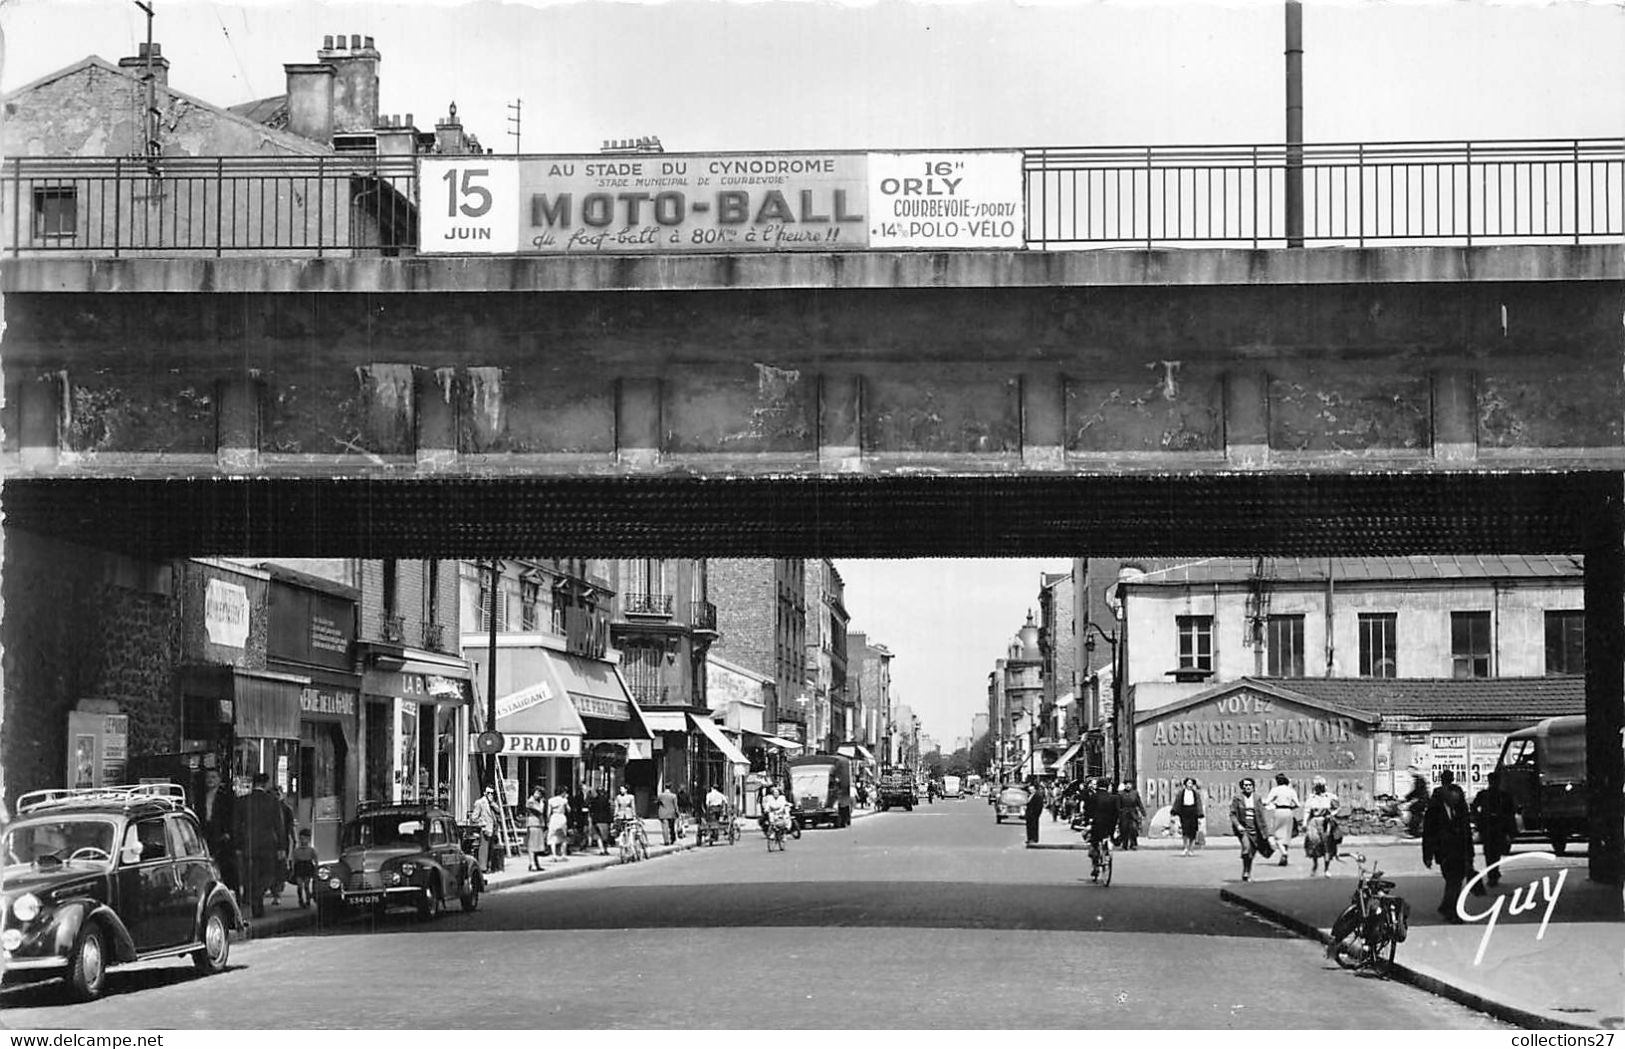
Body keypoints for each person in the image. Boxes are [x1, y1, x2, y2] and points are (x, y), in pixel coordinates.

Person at [1422, 768, 1477, 922]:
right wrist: (1428, 855)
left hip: (1460, 851)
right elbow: (1428, 833)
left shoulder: (1460, 809)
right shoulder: (1435, 808)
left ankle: (1450, 909)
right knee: (1453, 881)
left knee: (1455, 881)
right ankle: (1450, 909)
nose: (1454, 799)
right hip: (1444, 852)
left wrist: (1470, 854)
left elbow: (1466, 832)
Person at [234, 773, 284, 918]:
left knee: (252, 874)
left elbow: (236, 825)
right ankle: (258, 896)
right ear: (265, 784)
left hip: (248, 843)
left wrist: (238, 844)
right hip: (268, 844)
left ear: (252, 784)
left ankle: (255, 899)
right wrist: (281, 846)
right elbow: (279, 825)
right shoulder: (272, 801)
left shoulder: (242, 801)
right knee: (268, 874)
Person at [1470, 770, 1517, 888]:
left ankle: (1493, 873)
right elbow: (1510, 813)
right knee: (1493, 852)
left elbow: (1474, 807)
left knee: (1491, 852)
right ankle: (1493, 874)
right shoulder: (1501, 795)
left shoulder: (1487, 795)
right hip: (1494, 826)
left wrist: (1478, 819)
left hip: (1492, 826)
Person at [198, 768, 238, 892]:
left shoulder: (226, 796)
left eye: (213, 777)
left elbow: (232, 815)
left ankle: (231, 891)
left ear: (219, 780)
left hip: (222, 834)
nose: (210, 780)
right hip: (206, 832)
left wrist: (228, 832)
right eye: (208, 777)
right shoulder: (200, 796)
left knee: (226, 865)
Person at [1229, 777, 1273, 882]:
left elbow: (1261, 815)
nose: (1247, 787)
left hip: (1256, 827)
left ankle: (1247, 871)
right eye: (1245, 785)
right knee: (1246, 848)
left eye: (1249, 785)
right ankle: (1246, 872)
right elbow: (1232, 814)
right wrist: (1238, 825)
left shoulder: (1257, 798)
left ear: (1253, 787)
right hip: (1243, 828)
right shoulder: (1237, 798)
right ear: (1242, 787)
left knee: (1252, 852)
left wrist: (1265, 832)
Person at [1301, 776, 1341, 877]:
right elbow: (1307, 811)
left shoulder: (1330, 797)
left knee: (1327, 845)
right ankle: (1315, 864)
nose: (1319, 788)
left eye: (1321, 786)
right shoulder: (1311, 798)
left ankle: (1326, 869)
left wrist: (1332, 814)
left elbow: (1337, 807)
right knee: (1314, 842)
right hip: (1314, 822)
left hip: (1326, 822)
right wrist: (1304, 822)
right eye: (1317, 786)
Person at [1263, 772, 1301, 867]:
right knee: (1287, 835)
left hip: (1279, 811)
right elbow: (1297, 804)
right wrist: (1291, 808)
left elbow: (1267, 802)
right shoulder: (1291, 791)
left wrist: (1263, 803)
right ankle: (1284, 855)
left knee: (1277, 835)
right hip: (1288, 812)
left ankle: (1284, 853)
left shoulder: (1275, 790)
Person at [1087, 781, 1120, 881]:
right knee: (1107, 840)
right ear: (1107, 787)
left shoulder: (1093, 796)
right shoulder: (1113, 798)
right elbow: (1117, 812)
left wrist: (1088, 820)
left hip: (1097, 825)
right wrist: (1115, 825)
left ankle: (1095, 866)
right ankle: (1107, 855)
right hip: (1109, 826)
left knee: (1094, 844)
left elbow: (1088, 810)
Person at [1170, 777, 1205, 856]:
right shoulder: (1181, 793)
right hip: (1184, 812)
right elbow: (1177, 802)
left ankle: (1191, 849)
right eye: (1188, 783)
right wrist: (1174, 811)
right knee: (1185, 831)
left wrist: (1200, 814)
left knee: (1193, 831)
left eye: (1191, 783)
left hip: (1193, 812)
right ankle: (1185, 848)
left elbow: (1199, 804)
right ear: (1185, 784)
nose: (1190, 785)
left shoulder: (1195, 794)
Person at [471, 786, 501, 873]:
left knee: (491, 850)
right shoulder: (480, 802)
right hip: (485, 829)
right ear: (485, 793)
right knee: (484, 849)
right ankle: (483, 867)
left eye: (492, 793)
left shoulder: (492, 803)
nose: (490, 795)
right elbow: (474, 817)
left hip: (493, 829)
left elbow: (499, 811)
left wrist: (492, 803)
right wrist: (482, 823)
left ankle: (489, 866)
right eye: (489, 793)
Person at [289, 827, 318, 908]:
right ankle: (300, 900)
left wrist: (316, 870)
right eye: (301, 838)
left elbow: (316, 861)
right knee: (299, 885)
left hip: (307, 867)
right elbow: (293, 860)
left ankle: (308, 900)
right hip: (299, 867)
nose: (302, 841)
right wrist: (292, 870)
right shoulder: (296, 850)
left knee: (306, 885)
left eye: (305, 838)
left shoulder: (311, 850)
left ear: (309, 839)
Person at [1116, 780, 1146, 850]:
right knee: (1124, 829)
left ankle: (1133, 844)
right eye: (1126, 784)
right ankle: (1124, 845)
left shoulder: (1135, 793)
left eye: (1129, 784)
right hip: (1124, 814)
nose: (1128, 786)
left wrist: (1143, 813)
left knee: (1133, 828)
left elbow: (1139, 803)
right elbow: (1118, 805)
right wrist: (1118, 814)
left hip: (1133, 814)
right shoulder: (1121, 794)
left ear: (1132, 785)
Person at [524, 786, 548, 870]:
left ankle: (536, 863)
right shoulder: (531, 801)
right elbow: (540, 810)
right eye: (537, 793)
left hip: (539, 824)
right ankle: (532, 863)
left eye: (540, 794)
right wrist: (542, 803)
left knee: (537, 846)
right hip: (533, 824)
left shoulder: (537, 801)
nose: (538, 795)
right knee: (532, 845)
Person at [547, 786, 571, 861]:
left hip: (554, 817)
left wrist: (548, 821)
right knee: (563, 837)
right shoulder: (564, 800)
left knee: (552, 837)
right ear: (563, 792)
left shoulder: (551, 800)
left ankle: (554, 855)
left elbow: (548, 812)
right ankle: (563, 854)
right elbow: (569, 810)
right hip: (561, 817)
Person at [1404, 771, 1430, 838]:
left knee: (1415, 812)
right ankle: (1413, 829)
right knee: (1414, 812)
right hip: (1422, 801)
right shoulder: (1422, 785)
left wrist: (1407, 797)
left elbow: (1415, 792)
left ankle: (1414, 831)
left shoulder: (1419, 783)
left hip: (1421, 802)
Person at [588, 788, 613, 855]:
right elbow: (608, 810)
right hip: (604, 820)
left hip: (596, 820)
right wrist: (610, 820)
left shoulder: (594, 800)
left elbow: (591, 810)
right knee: (605, 837)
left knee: (598, 836)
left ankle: (601, 850)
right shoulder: (606, 800)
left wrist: (592, 819)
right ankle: (605, 850)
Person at [656, 781, 680, 846]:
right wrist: (677, 813)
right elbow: (676, 805)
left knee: (665, 828)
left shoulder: (660, 795)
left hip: (663, 814)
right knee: (671, 827)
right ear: (670, 787)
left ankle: (666, 841)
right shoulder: (673, 796)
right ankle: (672, 839)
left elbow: (657, 802)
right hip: (671, 813)